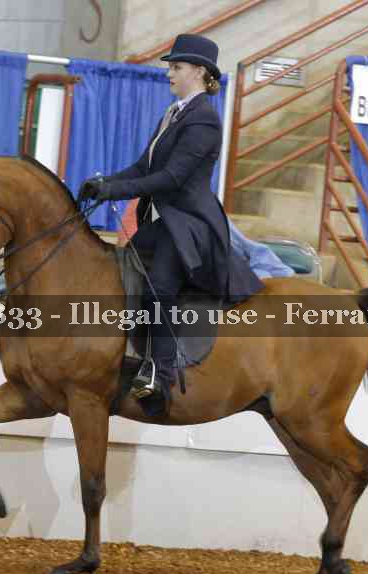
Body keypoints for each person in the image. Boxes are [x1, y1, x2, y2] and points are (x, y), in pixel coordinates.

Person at [79, 33, 264, 413]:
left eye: (176, 67)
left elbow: (172, 178)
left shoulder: (204, 119)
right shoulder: (173, 113)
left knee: (157, 288)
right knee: (117, 274)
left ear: (198, 71)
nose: (169, 74)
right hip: (164, 222)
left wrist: (116, 191)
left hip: (189, 225)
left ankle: (159, 376)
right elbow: (143, 167)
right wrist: (104, 183)